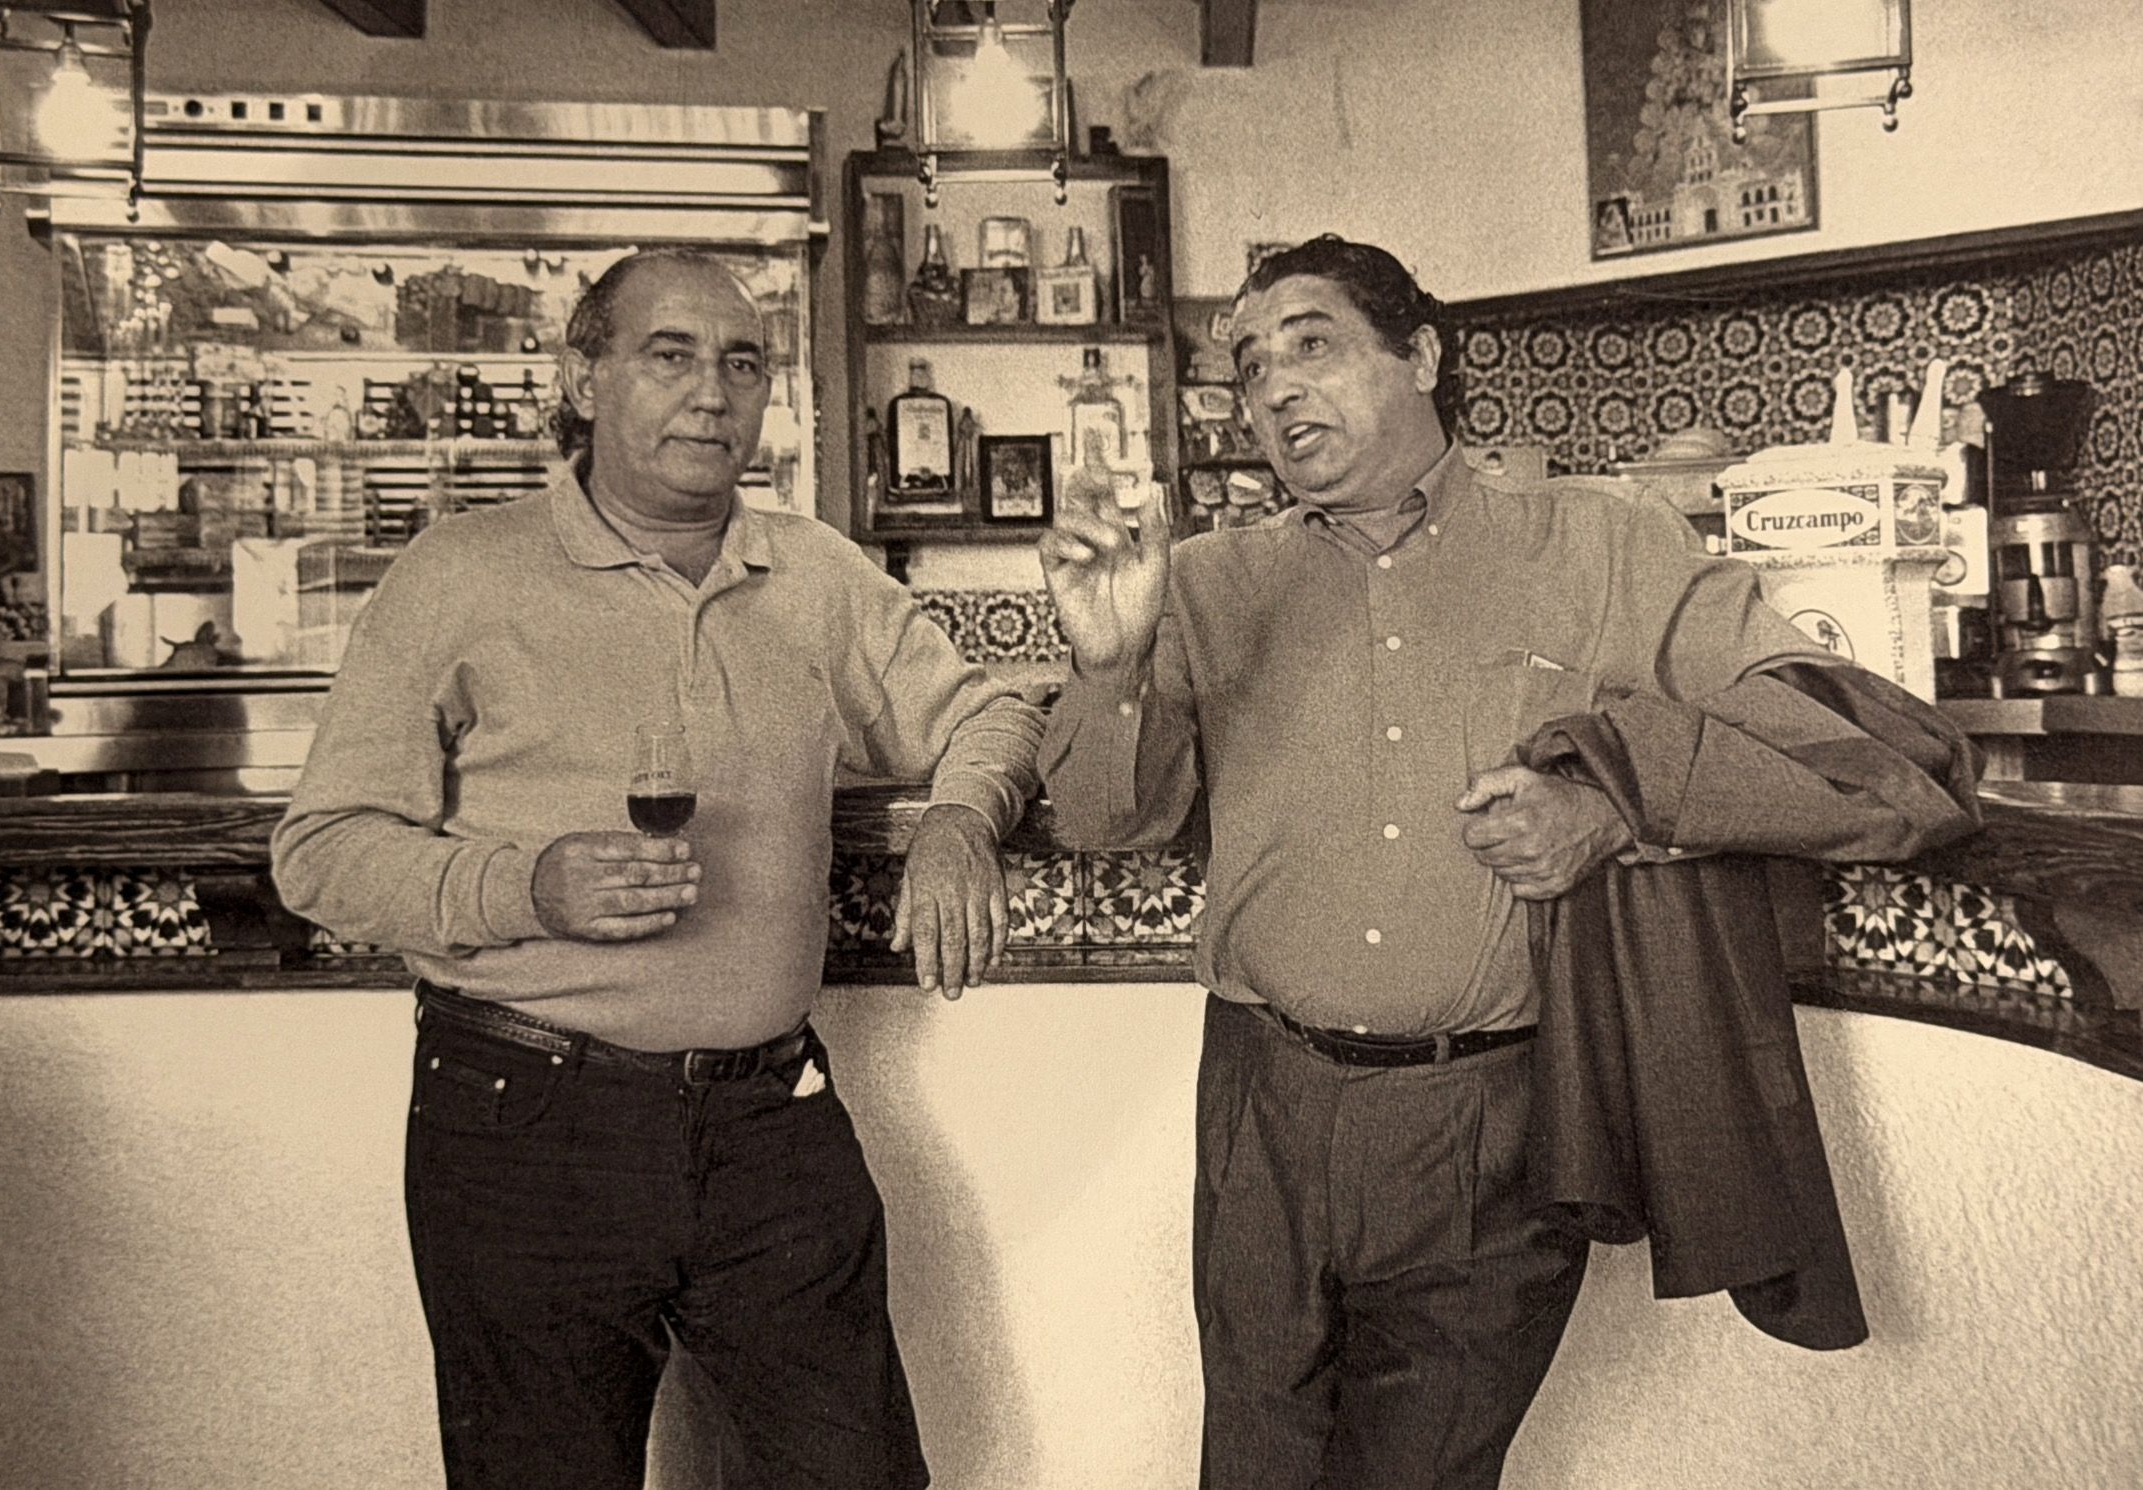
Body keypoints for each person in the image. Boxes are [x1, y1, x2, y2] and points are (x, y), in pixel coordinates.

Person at [1035, 235, 1974, 1490]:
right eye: (1251, 367)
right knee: (1246, 1467)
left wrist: (1617, 805)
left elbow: (1873, 768)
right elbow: (1104, 825)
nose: (1274, 390)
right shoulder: (1202, 585)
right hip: (1258, 1102)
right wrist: (1106, 662)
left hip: (1490, 1123)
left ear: (1421, 353)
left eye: (1310, 343)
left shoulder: (1605, 546)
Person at [272, 247, 1042, 1490]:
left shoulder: (817, 573)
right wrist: (523, 886)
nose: (712, 393)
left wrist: (957, 820)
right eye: (669, 355)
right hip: (526, 1118)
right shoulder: (456, 576)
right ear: (583, 377)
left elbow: (989, 712)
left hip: (768, 1122)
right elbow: (320, 852)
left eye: (743, 363)